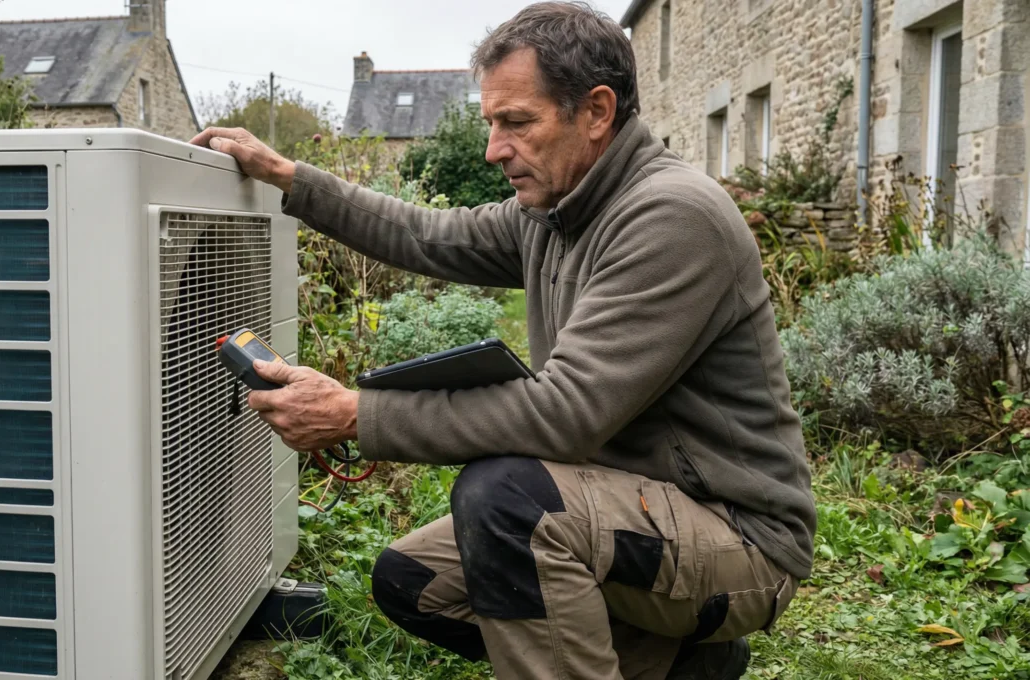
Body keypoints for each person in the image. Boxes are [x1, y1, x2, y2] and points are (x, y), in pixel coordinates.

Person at [190, 3, 814, 678]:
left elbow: (564, 413)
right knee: (416, 582)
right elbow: (426, 235)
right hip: (629, 505)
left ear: (596, 112)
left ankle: (689, 628)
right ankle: (684, 659)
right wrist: (290, 178)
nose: (494, 149)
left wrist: (354, 414)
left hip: (736, 536)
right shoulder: (555, 211)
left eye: (516, 122)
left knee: (507, 503)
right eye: (492, 123)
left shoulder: (672, 216)